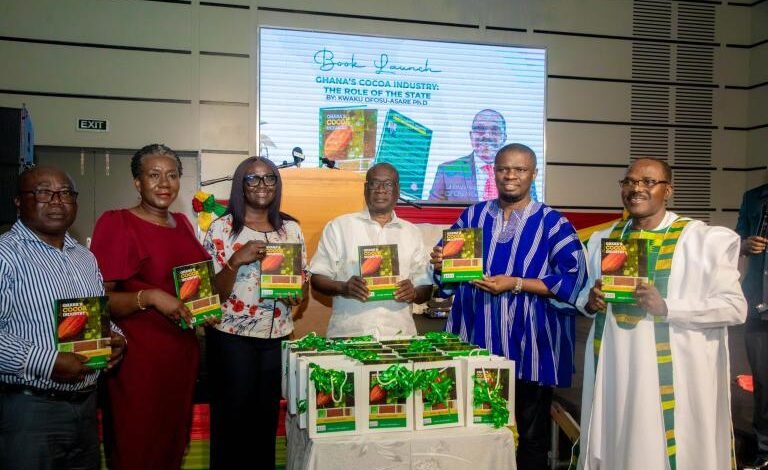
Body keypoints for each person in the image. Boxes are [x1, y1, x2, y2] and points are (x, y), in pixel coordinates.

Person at [576, 158, 747, 470]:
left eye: (648, 182)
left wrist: (668, 307)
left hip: (676, 378)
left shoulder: (702, 240)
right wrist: (591, 301)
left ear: (668, 190)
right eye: (629, 182)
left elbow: (735, 308)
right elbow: (583, 295)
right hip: (615, 373)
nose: (636, 188)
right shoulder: (605, 240)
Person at [430, 143, 586, 470]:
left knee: (531, 440)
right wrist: (441, 263)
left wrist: (513, 282)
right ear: (494, 172)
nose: (510, 175)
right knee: (473, 433)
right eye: (503, 169)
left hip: (532, 347)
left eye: (519, 169)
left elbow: (574, 280)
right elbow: (446, 277)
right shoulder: (472, 216)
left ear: (533, 174)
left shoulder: (553, 223)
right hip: (476, 342)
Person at [90, 144, 216, 469]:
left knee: (170, 449)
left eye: (172, 175)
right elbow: (99, 302)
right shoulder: (118, 223)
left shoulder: (184, 224)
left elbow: (195, 287)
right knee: (136, 449)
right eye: (153, 175)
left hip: (181, 357)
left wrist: (207, 308)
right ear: (137, 182)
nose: (164, 183)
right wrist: (150, 297)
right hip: (138, 362)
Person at [0, 165, 125, 469]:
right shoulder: (5, 255)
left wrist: (117, 336)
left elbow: (98, 311)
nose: (57, 201)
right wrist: (48, 361)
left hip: (84, 406)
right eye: (44, 192)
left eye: (66, 193)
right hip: (29, 410)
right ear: (19, 200)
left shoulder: (84, 257)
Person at [203, 156, 307, 470]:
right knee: (231, 426)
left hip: (277, 340)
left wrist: (296, 296)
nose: (262, 185)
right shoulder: (222, 229)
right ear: (240, 185)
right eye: (253, 178)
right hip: (232, 341)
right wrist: (236, 261)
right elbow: (207, 296)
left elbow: (301, 290)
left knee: (265, 426)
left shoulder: (290, 229)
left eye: (269, 178)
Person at [310, 162, 433, 337]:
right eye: (375, 183)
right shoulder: (339, 227)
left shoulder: (412, 233)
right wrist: (343, 287)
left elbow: (425, 288)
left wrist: (413, 292)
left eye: (388, 184)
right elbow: (317, 278)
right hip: (349, 335)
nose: (381, 189)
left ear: (397, 190)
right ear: (366, 188)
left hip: (399, 336)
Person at [737, 178, 768, 470]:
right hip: (759, 302)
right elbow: (734, 243)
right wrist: (744, 245)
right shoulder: (754, 197)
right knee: (763, 382)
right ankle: (764, 451)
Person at [429, 109, 508, 202]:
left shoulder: (518, 172)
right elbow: (434, 211)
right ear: (471, 136)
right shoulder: (446, 170)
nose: (487, 135)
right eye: (480, 129)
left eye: (495, 130)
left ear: (504, 138)